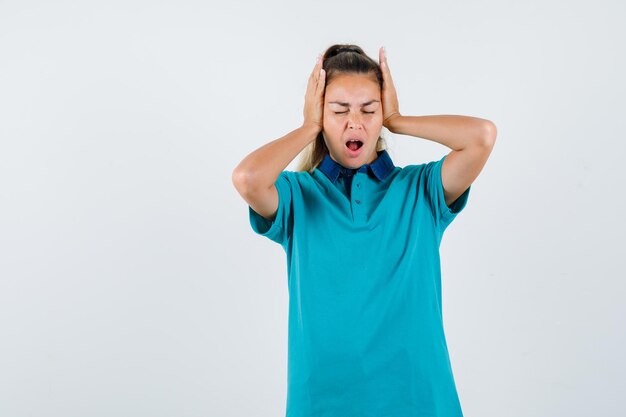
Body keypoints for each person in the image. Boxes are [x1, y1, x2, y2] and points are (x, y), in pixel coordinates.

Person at [232, 44, 496, 417]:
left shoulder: (420, 189)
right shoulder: (297, 195)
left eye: (369, 110)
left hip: (418, 400)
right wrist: (308, 127)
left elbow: (481, 137)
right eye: (339, 110)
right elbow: (247, 178)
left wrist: (398, 119)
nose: (354, 122)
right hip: (323, 402)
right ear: (321, 114)